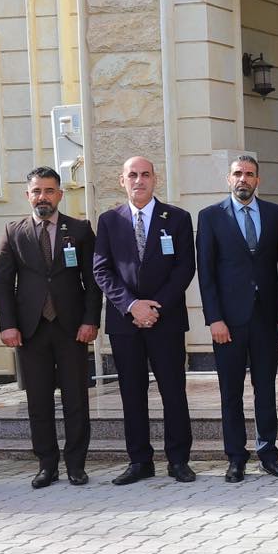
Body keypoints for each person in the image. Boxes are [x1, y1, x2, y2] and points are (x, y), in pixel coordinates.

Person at [0, 166, 101, 487]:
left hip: (72, 329)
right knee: (38, 402)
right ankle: (46, 465)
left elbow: (93, 281)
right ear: (28, 195)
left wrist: (90, 320)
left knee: (76, 400)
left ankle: (76, 465)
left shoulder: (80, 230)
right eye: (37, 191)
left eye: (49, 191)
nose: (43, 197)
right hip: (31, 330)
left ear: (60, 194)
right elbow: (3, 284)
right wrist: (8, 325)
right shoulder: (13, 232)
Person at [93, 155, 197, 484]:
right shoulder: (109, 220)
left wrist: (155, 308)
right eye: (133, 175)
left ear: (155, 179)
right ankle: (139, 461)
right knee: (131, 392)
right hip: (125, 323)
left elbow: (185, 268)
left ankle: (178, 460)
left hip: (166, 320)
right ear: (122, 181)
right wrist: (132, 305)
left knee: (173, 391)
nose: (139, 180)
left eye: (145, 175)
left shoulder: (177, 218)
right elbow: (101, 270)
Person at [196, 153, 278, 483]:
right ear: (229, 179)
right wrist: (214, 319)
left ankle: (268, 454)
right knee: (231, 393)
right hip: (228, 322)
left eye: (249, 174)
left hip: (266, 318)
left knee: (266, 390)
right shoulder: (210, 217)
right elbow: (206, 273)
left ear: (257, 180)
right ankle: (236, 457)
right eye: (238, 173)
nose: (243, 179)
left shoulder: (275, 214)